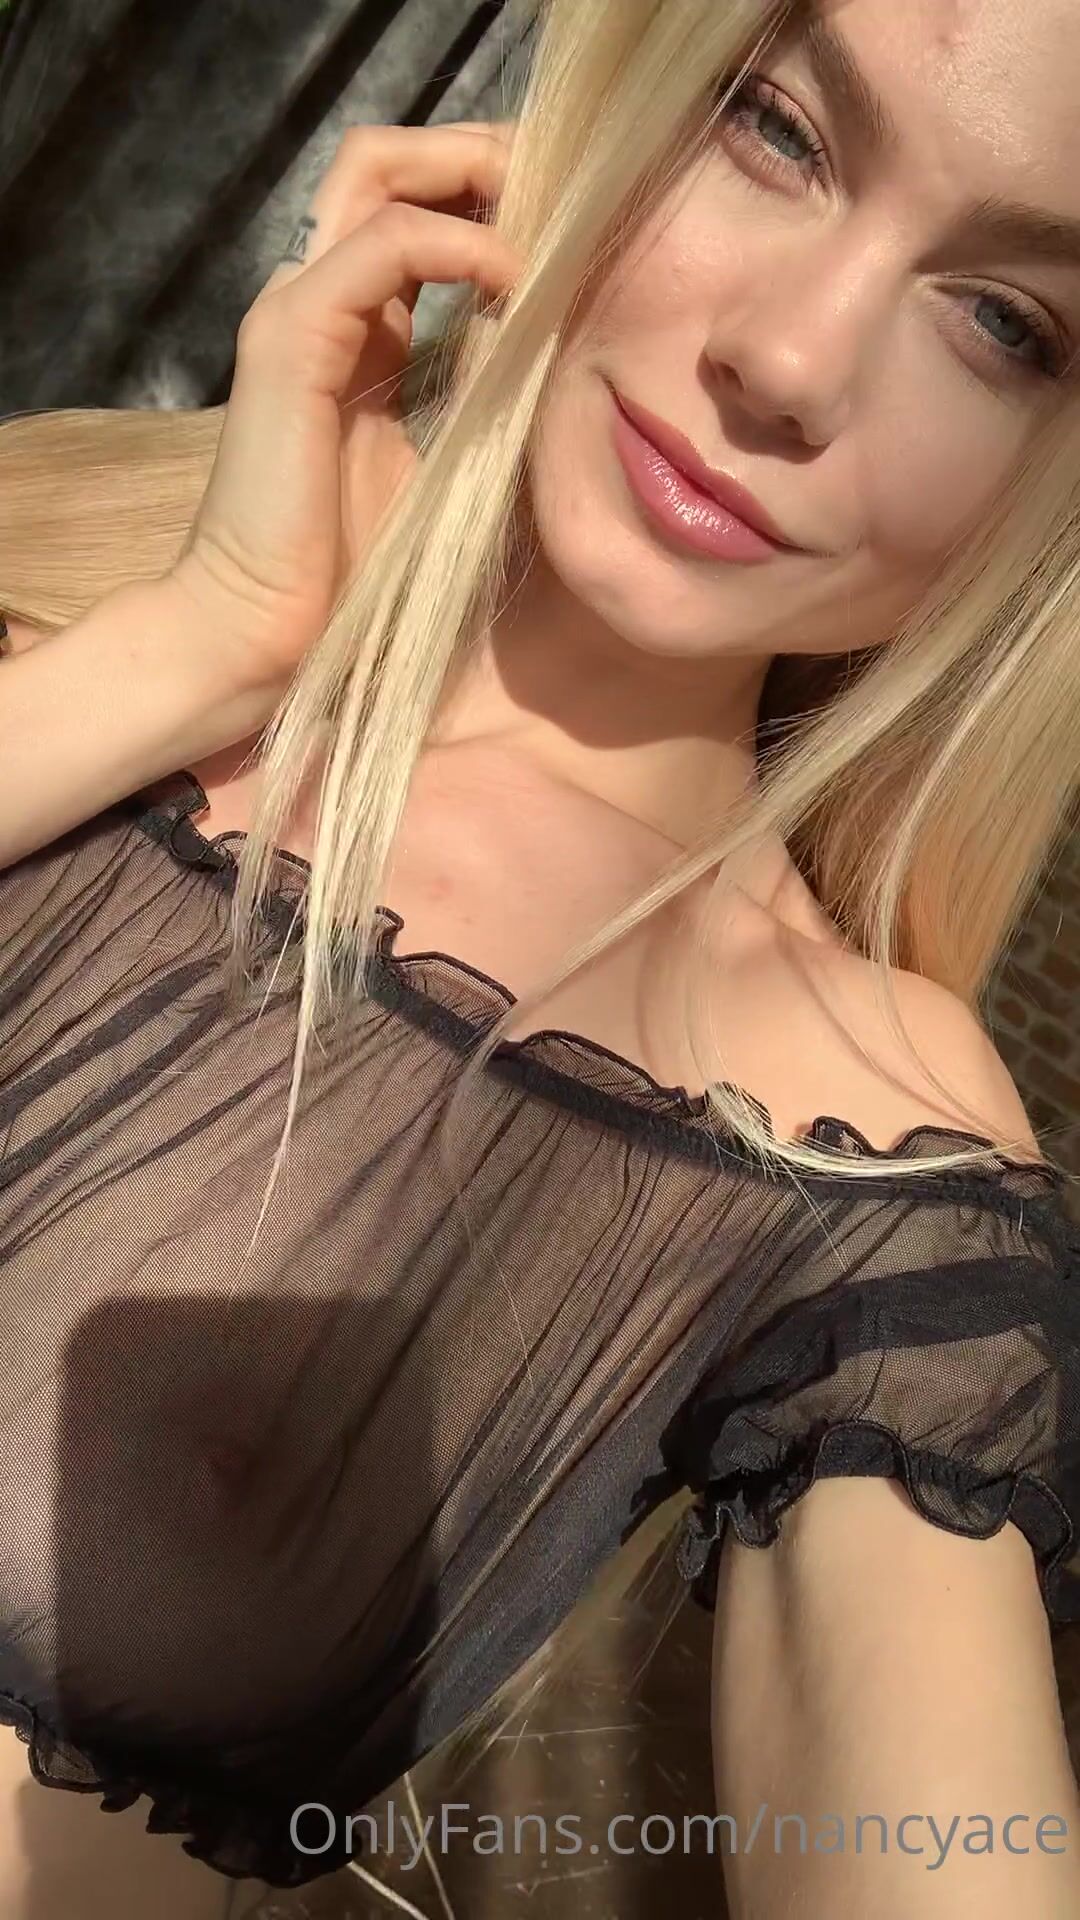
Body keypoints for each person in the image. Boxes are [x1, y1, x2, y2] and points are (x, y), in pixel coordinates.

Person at [1, 0, 1080, 1912]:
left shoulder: (858, 1128)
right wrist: (201, 641)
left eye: (1003, 321)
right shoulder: (49, 542)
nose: (787, 361)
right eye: (775, 129)